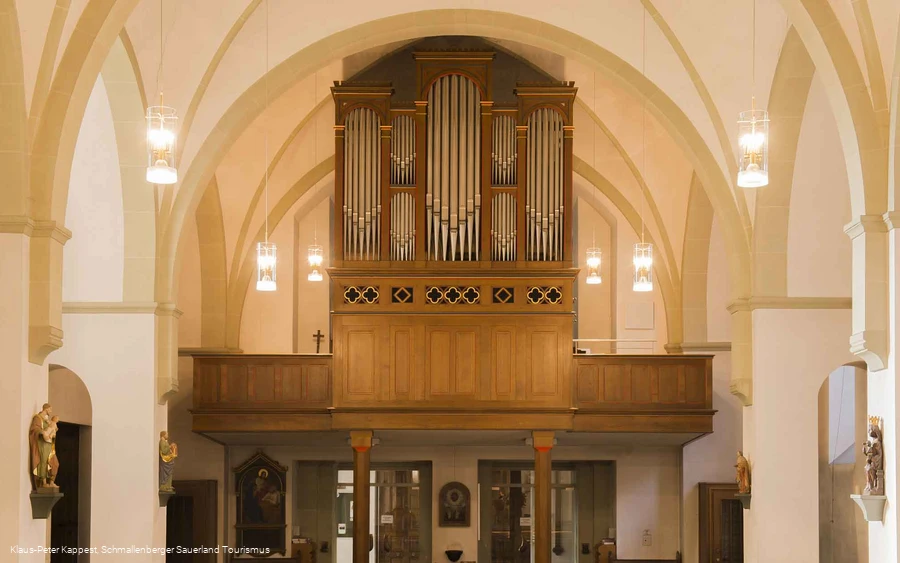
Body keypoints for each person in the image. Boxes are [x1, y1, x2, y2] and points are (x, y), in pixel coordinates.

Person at [29, 404, 56, 490]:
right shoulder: (37, 418)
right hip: (42, 444)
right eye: (50, 409)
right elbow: (34, 429)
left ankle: (51, 481)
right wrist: (42, 432)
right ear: (46, 409)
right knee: (43, 461)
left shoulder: (46, 420)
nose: (51, 411)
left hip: (48, 443)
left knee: (54, 462)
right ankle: (43, 482)